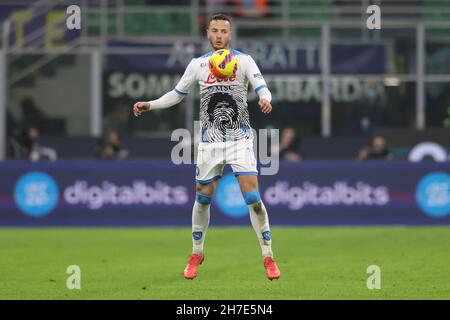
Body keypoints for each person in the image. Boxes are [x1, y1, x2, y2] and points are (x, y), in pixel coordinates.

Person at [132, 13, 280, 281]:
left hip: (239, 139)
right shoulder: (197, 65)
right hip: (210, 142)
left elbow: (262, 87)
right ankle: (197, 252)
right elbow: (176, 95)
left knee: (252, 199)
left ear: (230, 34)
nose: (220, 35)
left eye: (224, 30)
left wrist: (265, 99)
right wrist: (150, 104)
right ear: (208, 34)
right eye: (215, 30)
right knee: (203, 197)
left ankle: (268, 255)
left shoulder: (243, 60)